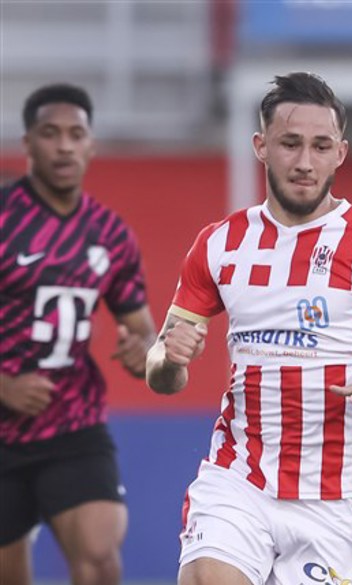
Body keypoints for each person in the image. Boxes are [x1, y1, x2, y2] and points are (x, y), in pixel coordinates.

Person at [145, 72, 352, 585]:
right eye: (290, 144)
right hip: (238, 479)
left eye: (320, 146)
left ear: (340, 153)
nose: (305, 162)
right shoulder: (219, 243)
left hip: (333, 498)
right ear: (261, 147)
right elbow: (162, 371)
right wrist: (169, 357)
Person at [0, 83, 157, 585]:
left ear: (91, 145)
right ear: (28, 143)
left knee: (99, 557)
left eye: (76, 134)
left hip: (73, 423)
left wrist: (143, 352)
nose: (64, 146)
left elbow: (143, 329)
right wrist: (3, 386)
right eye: (51, 134)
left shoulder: (110, 234)